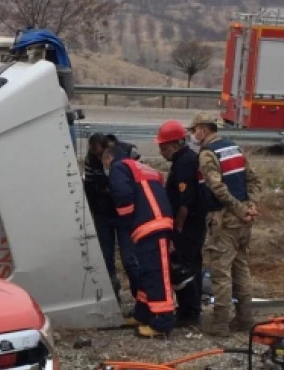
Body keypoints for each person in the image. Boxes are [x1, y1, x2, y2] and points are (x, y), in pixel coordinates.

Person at [189, 112, 262, 337]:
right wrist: (251, 206)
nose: (193, 135)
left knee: (221, 273)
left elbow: (216, 188)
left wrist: (240, 210)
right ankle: (245, 318)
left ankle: (221, 324)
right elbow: (252, 179)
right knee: (241, 268)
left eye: (194, 130)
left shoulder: (207, 154)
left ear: (203, 129)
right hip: (243, 221)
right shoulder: (234, 148)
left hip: (225, 219)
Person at [102, 146, 176, 338]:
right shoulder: (144, 168)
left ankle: (163, 322)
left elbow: (123, 196)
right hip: (154, 222)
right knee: (147, 272)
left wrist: (125, 220)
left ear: (108, 158)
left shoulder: (119, 167)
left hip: (151, 224)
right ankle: (143, 314)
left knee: (158, 273)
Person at [83, 133, 141, 321]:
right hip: (103, 216)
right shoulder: (91, 159)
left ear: (109, 147)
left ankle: (141, 300)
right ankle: (112, 300)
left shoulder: (128, 152)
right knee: (106, 259)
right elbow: (89, 188)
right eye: (97, 156)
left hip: (125, 216)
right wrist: (90, 214)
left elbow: (138, 183)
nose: (100, 160)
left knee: (130, 259)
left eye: (102, 156)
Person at [156, 120, 205, 328]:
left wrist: (178, 227)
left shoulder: (184, 163)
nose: (161, 153)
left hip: (188, 225)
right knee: (191, 265)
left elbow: (185, 201)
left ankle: (189, 313)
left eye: (163, 148)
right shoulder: (184, 159)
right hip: (193, 224)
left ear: (175, 144)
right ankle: (190, 309)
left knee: (184, 268)